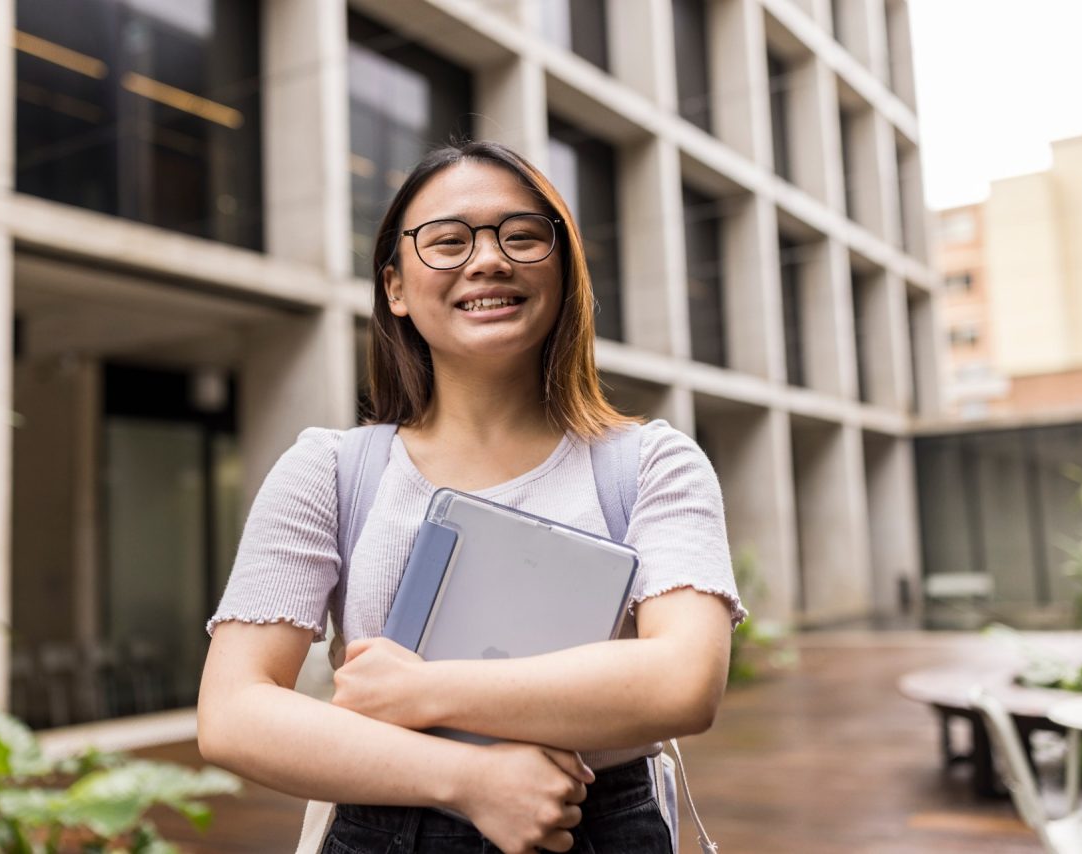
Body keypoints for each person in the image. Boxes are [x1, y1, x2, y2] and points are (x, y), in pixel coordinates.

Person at [198, 140, 747, 854]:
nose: (488, 260)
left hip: (602, 823)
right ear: (394, 286)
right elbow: (233, 712)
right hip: (385, 824)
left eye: (520, 236)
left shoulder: (651, 465)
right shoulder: (328, 471)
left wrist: (427, 692)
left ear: (563, 268)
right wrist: (468, 778)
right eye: (448, 241)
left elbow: (683, 681)